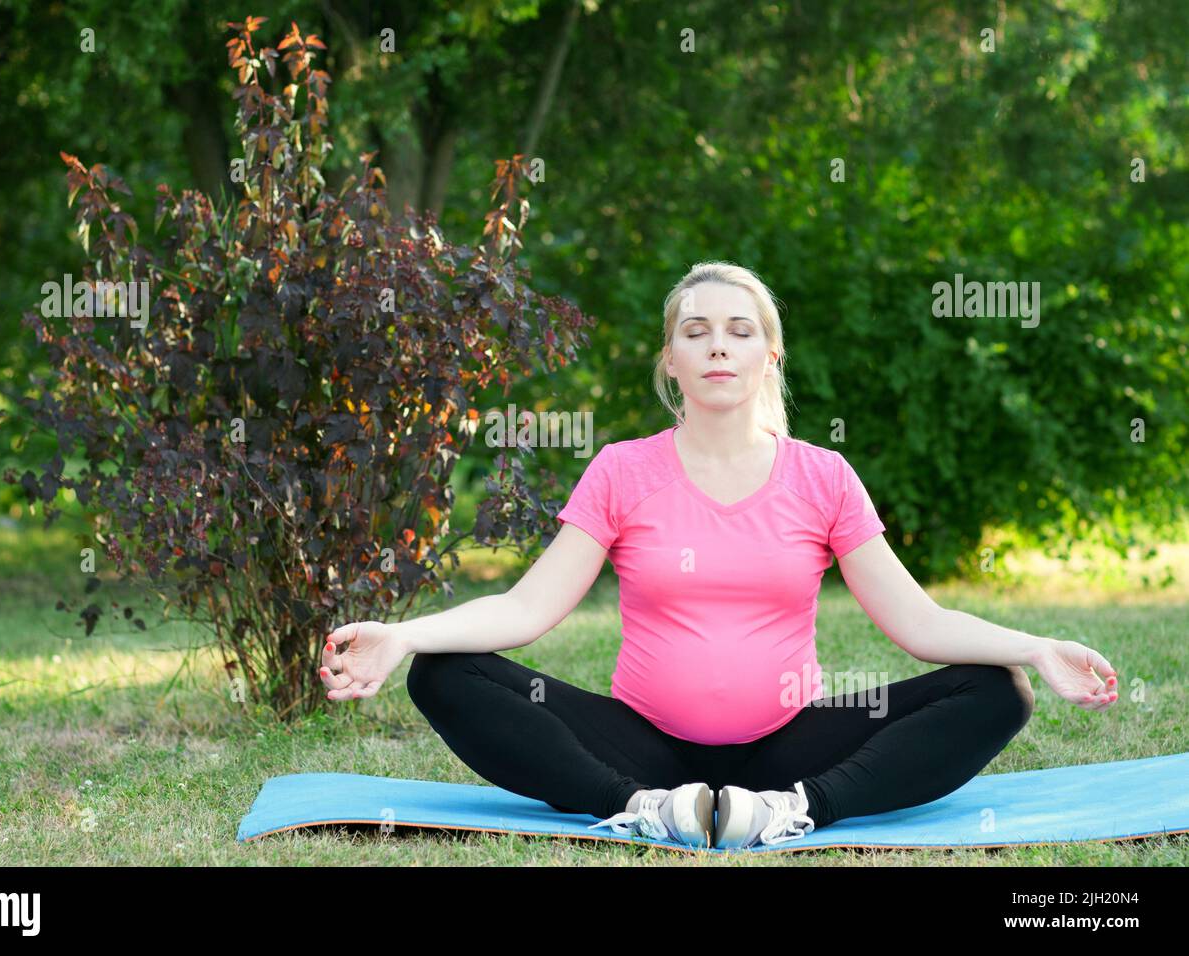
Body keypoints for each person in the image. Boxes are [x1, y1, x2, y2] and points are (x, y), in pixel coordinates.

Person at [317, 260, 1120, 850]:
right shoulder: (622, 470)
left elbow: (917, 621)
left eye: (740, 332)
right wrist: (407, 633)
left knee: (996, 693)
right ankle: (639, 807)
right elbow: (526, 610)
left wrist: (1037, 647)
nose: (717, 347)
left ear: (770, 354)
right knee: (448, 673)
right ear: (671, 360)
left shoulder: (823, 476)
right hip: (641, 746)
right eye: (694, 333)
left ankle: (799, 810)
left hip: (790, 743)